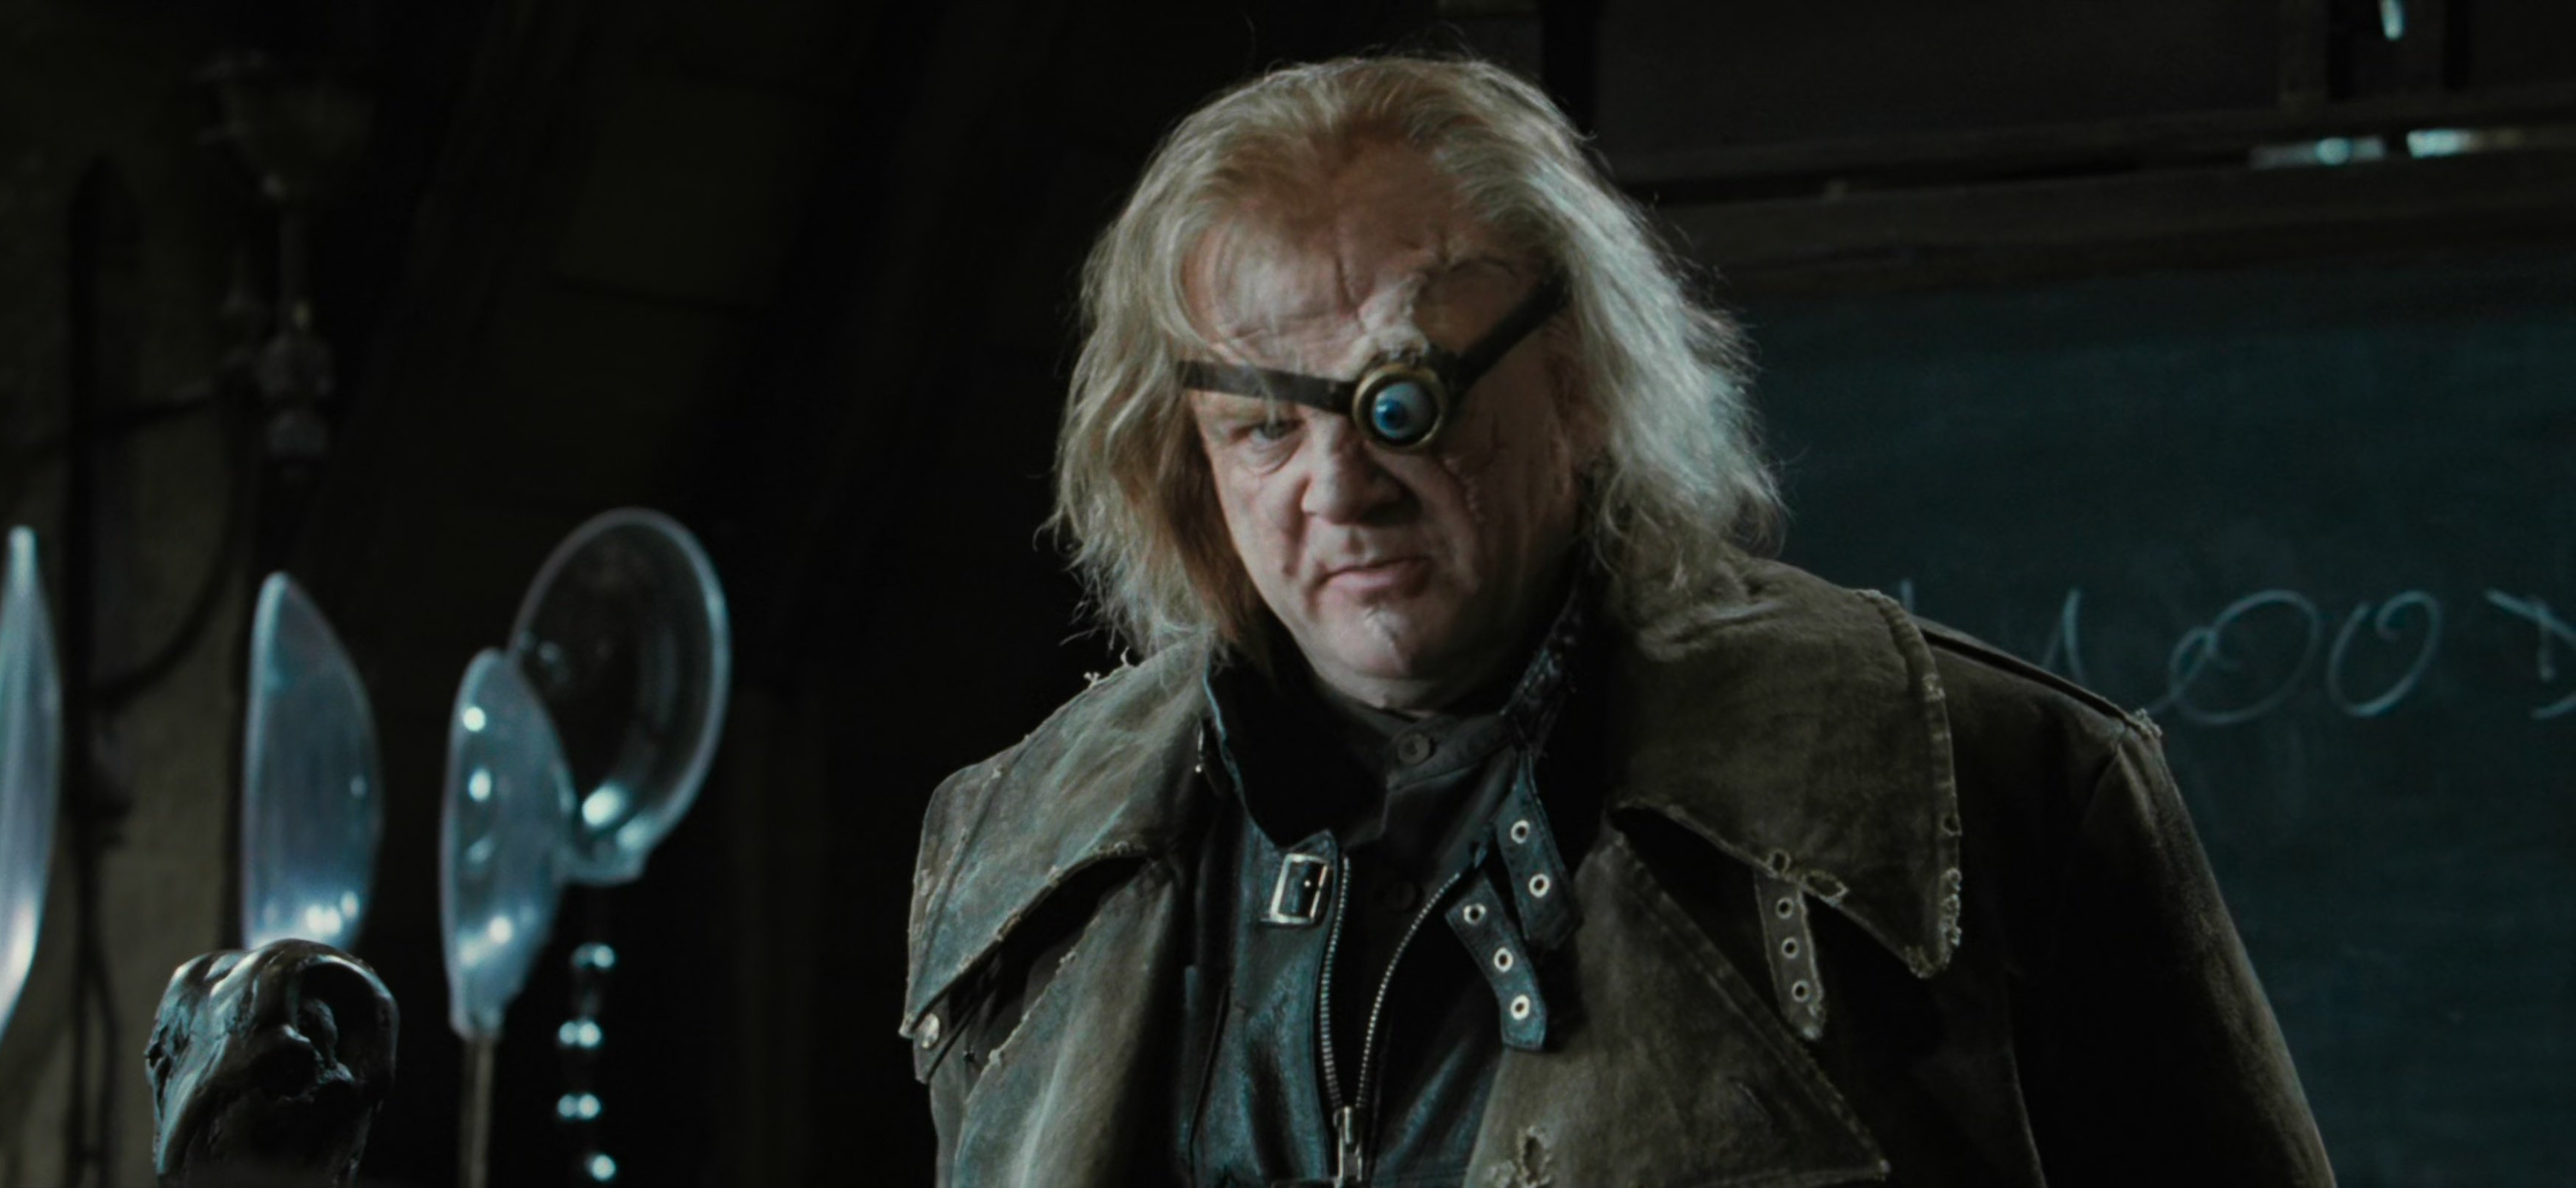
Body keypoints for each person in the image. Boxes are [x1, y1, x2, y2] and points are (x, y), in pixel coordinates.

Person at [901, 56, 2332, 1187]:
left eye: (1405, 402)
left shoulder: (1991, 785)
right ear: (1185, 460)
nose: (1339, 489)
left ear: (1580, 380)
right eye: (1265, 426)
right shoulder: (1023, 853)